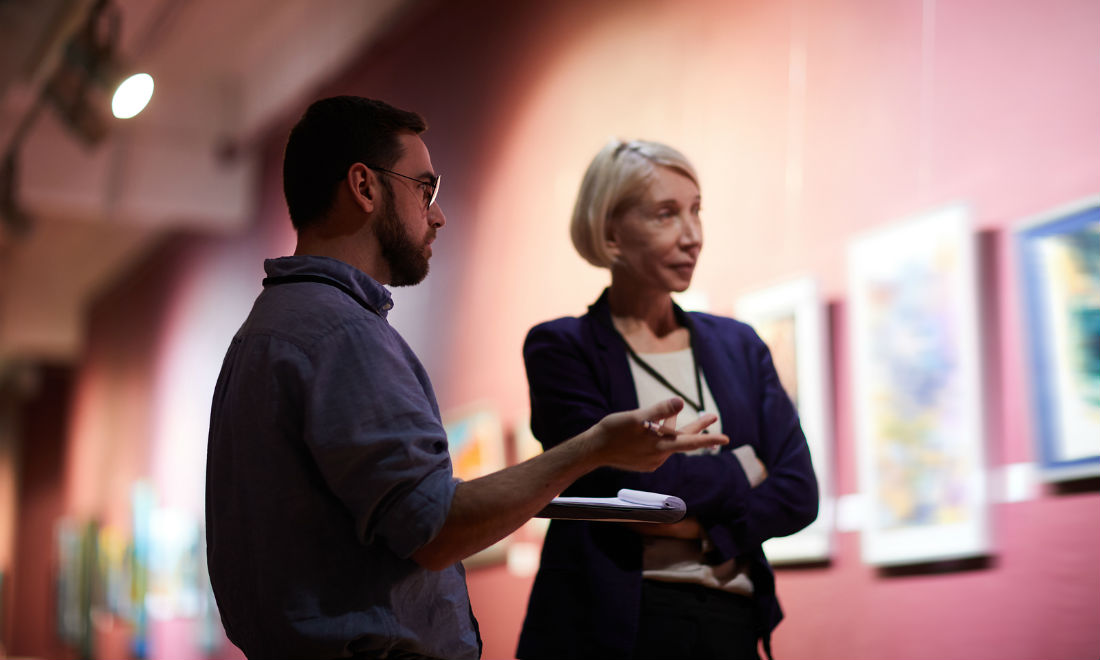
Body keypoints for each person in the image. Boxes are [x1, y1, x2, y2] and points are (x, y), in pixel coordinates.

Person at [204, 97, 728, 660]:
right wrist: (595, 447)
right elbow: (435, 529)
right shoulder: (340, 335)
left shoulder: (272, 328)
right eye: (424, 189)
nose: (437, 214)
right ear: (364, 187)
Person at [515, 140, 819, 660]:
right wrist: (743, 468)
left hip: (732, 621)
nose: (693, 235)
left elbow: (798, 492)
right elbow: (619, 488)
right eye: (666, 214)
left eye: (696, 210)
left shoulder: (739, 345)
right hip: (614, 626)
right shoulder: (562, 348)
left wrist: (700, 528)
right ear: (610, 232)